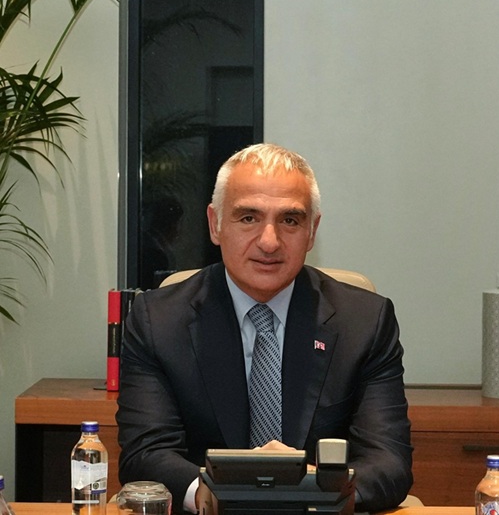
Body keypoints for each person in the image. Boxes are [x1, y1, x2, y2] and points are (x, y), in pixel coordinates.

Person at [117, 143, 413, 514]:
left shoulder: (364, 322)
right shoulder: (157, 321)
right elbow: (145, 455)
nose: (269, 242)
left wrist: (310, 487)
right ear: (215, 224)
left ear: (312, 231)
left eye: (290, 221)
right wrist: (219, 493)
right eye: (248, 218)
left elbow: (389, 463)